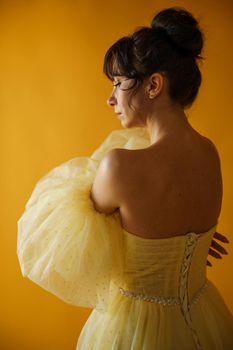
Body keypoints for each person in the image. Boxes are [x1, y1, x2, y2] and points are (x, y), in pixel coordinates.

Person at [17, 6, 233, 350]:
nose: (110, 98)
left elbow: (79, 255)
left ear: (154, 85)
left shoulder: (119, 166)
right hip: (205, 315)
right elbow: (175, 231)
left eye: (118, 84)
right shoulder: (210, 153)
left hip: (135, 327)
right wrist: (184, 250)